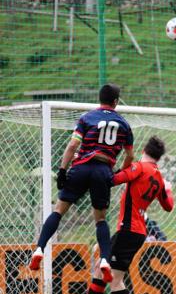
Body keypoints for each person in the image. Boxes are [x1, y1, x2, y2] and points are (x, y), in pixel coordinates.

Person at [59, 136, 173, 294]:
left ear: (143, 151)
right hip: (134, 230)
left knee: (115, 278)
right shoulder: (159, 178)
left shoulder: (139, 167)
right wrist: (169, 190)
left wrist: (86, 164)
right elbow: (168, 206)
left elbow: (112, 180)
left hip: (129, 229)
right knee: (101, 270)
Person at [29, 84, 134, 283]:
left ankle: (40, 248)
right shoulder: (124, 125)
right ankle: (104, 259)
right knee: (100, 219)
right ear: (116, 102)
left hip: (81, 167)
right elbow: (130, 156)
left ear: (100, 99)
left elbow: (73, 145)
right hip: (103, 171)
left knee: (58, 211)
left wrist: (62, 170)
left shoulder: (87, 118)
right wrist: (118, 172)